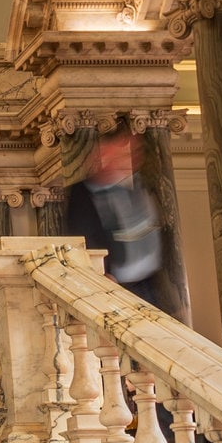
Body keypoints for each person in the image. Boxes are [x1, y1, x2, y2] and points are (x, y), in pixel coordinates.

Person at [62, 129, 173, 314]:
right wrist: (100, 271)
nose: (126, 158)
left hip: (148, 288)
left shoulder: (140, 186)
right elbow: (81, 237)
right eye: (116, 153)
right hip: (113, 286)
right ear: (102, 155)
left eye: (128, 153)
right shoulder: (82, 193)